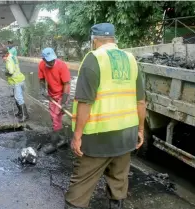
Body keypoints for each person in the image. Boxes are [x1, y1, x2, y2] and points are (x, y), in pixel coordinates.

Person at [64, 23, 146, 209]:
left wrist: (77, 136)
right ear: (113, 39)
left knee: (79, 189)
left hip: (97, 139)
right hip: (126, 135)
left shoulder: (93, 59)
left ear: (94, 40)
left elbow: (85, 102)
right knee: (118, 181)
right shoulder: (131, 59)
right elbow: (141, 102)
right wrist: (140, 129)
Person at [38, 47, 71, 154]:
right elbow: (42, 79)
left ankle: (54, 144)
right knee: (54, 119)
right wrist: (43, 89)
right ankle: (63, 139)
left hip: (62, 95)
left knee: (56, 119)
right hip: (52, 95)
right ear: (44, 59)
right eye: (49, 60)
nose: (52, 62)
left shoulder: (61, 65)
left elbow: (66, 84)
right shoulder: (42, 65)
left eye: (53, 59)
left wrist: (64, 102)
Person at [0, 47, 29, 122]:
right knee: (16, 97)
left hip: (16, 81)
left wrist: (6, 72)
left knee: (18, 98)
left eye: (2, 55)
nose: (2, 57)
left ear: (6, 54)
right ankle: (20, 112)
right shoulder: (12, 56)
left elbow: (11, 72)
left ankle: (25, 115)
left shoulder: (9, 60)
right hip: (19, 79)